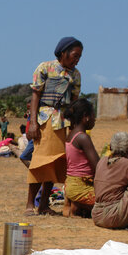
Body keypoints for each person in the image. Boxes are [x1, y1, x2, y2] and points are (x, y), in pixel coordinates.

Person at [25, 36, 82, 216]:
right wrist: (33, 122)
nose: (76, 60)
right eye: (74, 55)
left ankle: (43, 205)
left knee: (55, 164)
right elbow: (35, 95)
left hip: (63, 122)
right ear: (63, 53)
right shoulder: (45, 68)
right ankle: (29, 205)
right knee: (40, 162)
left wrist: (75, 127)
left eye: (79, 57)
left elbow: (74, 102)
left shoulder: (76, 75)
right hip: (45, 120)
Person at [62, 99, 98, 218]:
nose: (94, 119)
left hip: (70, 185)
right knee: (113, 203)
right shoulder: (83, 137)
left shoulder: (71, 136)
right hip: (81, 187)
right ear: (85, 117)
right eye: (93, 115)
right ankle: (78, 205)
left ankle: (76, 204)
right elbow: (97, 167)